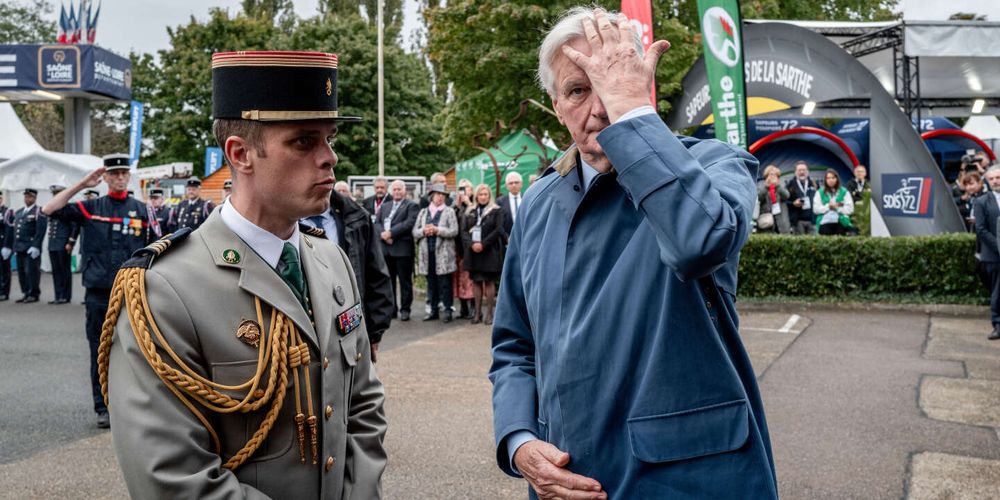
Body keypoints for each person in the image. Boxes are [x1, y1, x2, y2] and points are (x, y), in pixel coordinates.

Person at [489, 8, 777, 498]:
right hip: (565, 483)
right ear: (558, 106)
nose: (599, 106)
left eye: (611, 82)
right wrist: (518, 441)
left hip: (687, 484)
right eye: (579, 90)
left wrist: (632, 113)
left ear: (643, 86)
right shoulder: (538, 202)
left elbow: (699, 242)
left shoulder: (715, 164)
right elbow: (515, 348)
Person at [97, 50, 387, 497]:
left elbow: (363, 405)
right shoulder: (165, 289)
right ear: (241, 153)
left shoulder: (332, 261)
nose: (329, 158)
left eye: (329, 139)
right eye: (304, 142)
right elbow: (172, 478)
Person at [42, 154, 152, 428]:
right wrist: (82, 184)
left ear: (128, 176)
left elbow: (155, 247)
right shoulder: (91, 207)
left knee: (135, 351)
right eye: (113, 174)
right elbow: (49, 209)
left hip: (131, 293)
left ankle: (131, 405)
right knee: (100, 352)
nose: (119, 178)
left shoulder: (141, 209)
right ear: (104, 178)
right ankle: (103, 406)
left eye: (123, 173)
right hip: (98, 292)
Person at [301, 190, 395, 362]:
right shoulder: (281, 221)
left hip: (349, 326)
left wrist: (374, 332)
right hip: (303, 332)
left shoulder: (356, 219)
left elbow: (376, 274)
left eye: (329, 166)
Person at [413, 183, 459, 322]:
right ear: (432, 196)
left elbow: (454, 231)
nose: (440, 197)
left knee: (445, 283)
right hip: (427, 253)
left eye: (443, 195)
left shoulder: (449, 211)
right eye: (438, 194)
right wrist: (424, 231)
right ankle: (433, 310)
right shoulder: (423, 212)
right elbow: (415, 231)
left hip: (444, 254)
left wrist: (438, 230)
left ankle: (447, 310)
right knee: (431, 283)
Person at [377, 179, 419, 321]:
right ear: (391, 191)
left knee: (405, 281)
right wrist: (383, 234)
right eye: (394, 189)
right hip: (386, 249)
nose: (397, 192)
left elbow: (408, 223)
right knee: (389, 282)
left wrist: (391, 233)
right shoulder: (385, 206)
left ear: (405, 191)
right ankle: (392, 309)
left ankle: (405, 309)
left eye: (399, 189)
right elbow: (377, 223)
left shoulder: (411, 206)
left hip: (402, 249)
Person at [462, 183, 503, 324]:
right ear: (476, 196)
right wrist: (472, 244)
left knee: (489, 282)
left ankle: (489, 314)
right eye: (480, 194)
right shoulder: (470, 211)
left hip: (489, 251)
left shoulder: (496, 210)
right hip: (473, 252)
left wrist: (483, 244)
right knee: (476, 281)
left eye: (486, 194)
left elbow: (497, 230)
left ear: (489, 196)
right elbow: (464, 231)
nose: (483, 197)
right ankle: (477, 313)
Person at [3, 188, 46, 303]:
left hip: (30, 247)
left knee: (31, 272)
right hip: (20, 247)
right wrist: (12, 246)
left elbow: (40, 231)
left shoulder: (38, 211)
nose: (27, 199)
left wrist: (36, 245)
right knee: (21, 272)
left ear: (35, 198)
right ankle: (26, 292)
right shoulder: (19, 212)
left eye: (30, 197)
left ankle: (33, 293)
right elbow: (15, 230)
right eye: (26, 196)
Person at [974, 165, 1000, 341]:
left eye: (998, 178)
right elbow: (981, 229)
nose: (995, 181)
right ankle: (998, 325)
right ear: (987, 182)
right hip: (993, 255)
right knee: (997, 292)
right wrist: (999, 246)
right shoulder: (982, 201)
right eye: (992, 179)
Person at [46, 185, 80, 304]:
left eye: (57, 194)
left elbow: (74, 227)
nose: (55, 196)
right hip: (53, 243)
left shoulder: (68, 209)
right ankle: (58, 295)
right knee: (55, 271)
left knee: (64, 270)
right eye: (54, 194)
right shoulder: (53, 209)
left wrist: (70, 242)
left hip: (63, 243)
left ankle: (65, 295)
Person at [452, 179, 476, 319]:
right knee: (458, 278)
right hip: (457, 246)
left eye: (466, 188)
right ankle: (463, 308)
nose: (464, 191)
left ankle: (474, 306)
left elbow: (476, 219)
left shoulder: (474, 205)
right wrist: (457, 204)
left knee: (470, 278)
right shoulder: (456, 206)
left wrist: (468, 203)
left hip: (469, 245)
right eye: (461, 188)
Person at [813, 169, 857, 236]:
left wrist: (837, 208)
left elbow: (850, 209)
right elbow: (816, 209)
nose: (831, 180)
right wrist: (828, 207)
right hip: (824, 222)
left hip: (841, 221)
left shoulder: (844, 191)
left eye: (833, 178)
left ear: (837, 179)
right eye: (828, 178)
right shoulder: (819, 192)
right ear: (825, 180)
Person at [756, 165, 791, 234]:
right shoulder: (761, 185)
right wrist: (766, 187)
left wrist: (777, 186)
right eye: (770, 175)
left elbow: (787, 196)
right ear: (766, 176)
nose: (772, 177)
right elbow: (758, 198)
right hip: (766, 220)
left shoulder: (781, 185)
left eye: (774, 175)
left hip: (781, 219)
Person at [786, 161, 817, 234]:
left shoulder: (814, 183)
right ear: (795, 172)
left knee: (814, 244)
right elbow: (785, 202)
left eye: (804, 170)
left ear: (808, 171)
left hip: (812, 221)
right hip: (797, 221)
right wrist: (793, 203)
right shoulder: (790, 185)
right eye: (799, 170)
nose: (802, 172)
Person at [496, 171, 524, 241]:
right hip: (507, 241)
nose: (514, 185)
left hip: (525, 238)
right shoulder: (500, 202)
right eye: (511, 183)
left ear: (521, 184)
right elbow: (498, 223)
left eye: (516, 182)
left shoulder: (527, 199)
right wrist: (506, 238)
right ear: (506, 186)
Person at [0, 193, 12, 301]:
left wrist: (7, 246)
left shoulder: (7, 212)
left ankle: (4, 292)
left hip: (2, 244)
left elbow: (9, 229)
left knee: (4, 270)